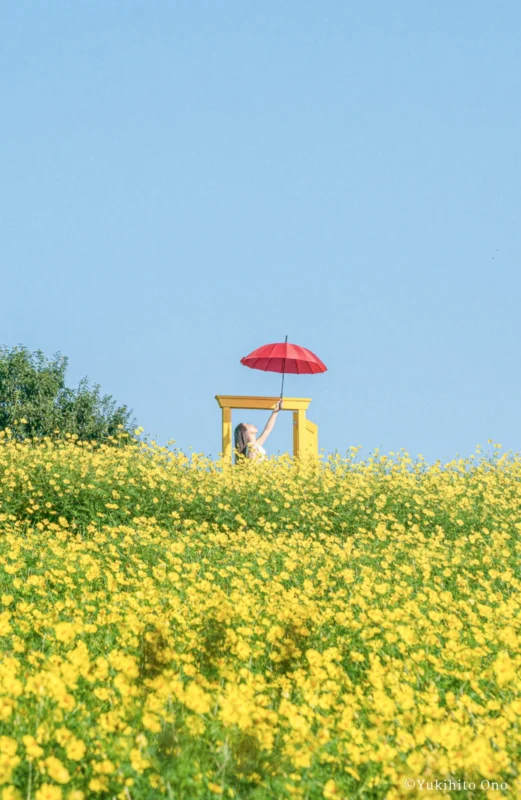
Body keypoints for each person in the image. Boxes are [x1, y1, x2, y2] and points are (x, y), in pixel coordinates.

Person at [234, 399, 283, 463]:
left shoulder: (254, 445)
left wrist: (276, 411)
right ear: (247, 433)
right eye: (248, 425)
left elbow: (267, 430)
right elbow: (253, 467)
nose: (252, 424)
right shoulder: (251, 448)